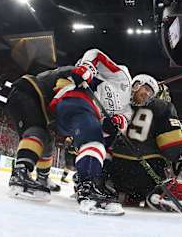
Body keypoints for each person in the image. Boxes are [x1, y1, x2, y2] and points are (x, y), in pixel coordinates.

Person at [50, 48, 132, 215]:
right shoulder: (122, 77)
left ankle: (85, 183)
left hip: (74, 118)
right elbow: (95, 54)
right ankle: (89, 189)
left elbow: (118, 123)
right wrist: (87, 68)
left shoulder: (127, 108)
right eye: (140, 86)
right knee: (94, 142)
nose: (142, 92)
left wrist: (114, 123)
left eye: (149, 92)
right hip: (77, 101)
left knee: (97, 143)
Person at [105, 74, 182, 212]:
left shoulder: (117, 103)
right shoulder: (163, 107)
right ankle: (157, 194)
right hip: (147, 172)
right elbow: (172, 149)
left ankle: (109, 189)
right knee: (178, 159)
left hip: (115, 172)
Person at [7, 65, 75, 201]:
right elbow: (64, 92)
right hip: (28, 92)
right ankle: (21, 172)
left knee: (47, 140)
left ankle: (42, 177)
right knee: (37, 131)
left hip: (30, 95)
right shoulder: (77, 73)